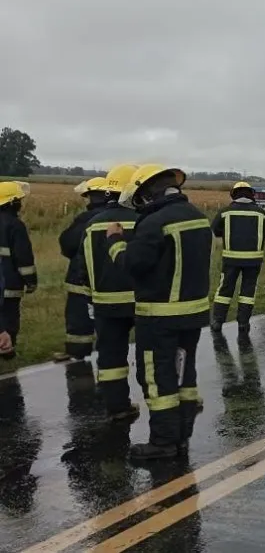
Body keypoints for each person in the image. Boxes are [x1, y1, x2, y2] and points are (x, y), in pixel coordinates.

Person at [107, 164, 212, 460]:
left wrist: (115, 242)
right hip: (193, 314)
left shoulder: (154, 223)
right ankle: (181, 436)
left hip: (159, 317)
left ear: (146, 193)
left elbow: (134, 266)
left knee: (157, 377)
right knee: (184, 375)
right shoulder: (198, 217)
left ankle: (163, 442)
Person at [81, 164, 142, 422]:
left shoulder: (92, 224)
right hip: (141, 302)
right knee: (150, 355)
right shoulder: (144, 222)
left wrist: (89, 297)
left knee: (110, 357)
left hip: (105, 303)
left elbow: (83, 266)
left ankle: (117, 406)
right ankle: (161, 407)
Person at [56, 176, 109, 363]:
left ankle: (77, 351)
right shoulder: (124, 216)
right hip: (112, 281)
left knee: (78, 316)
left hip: (81, 279)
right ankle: (110, 351)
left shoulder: (86, 219)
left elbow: (67, 244)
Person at [210, 182, 265, 333]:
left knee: (224, 290)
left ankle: (217, 321)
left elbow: (215, 230)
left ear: (234, 194)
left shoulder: (225, 212)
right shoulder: (261, 213)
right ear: (252, 194)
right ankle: (243, 324)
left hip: (230, 260)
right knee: (248, 292)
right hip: (254, 261)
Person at [0, 182, 36, 356]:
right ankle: (7, 349)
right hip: (9, 283)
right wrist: (31, 281)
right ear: (11, 202)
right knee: (9, 316)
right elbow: (23, 258)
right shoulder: (15, 225)